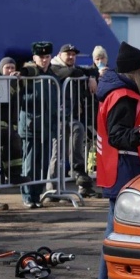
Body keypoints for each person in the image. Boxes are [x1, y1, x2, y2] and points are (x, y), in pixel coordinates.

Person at [95, 41, 140, 279]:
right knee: (122, 232)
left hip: (117, 167)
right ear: (134, 71)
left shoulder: (116, 92)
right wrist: (139, 134)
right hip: (125, 168)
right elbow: (118, 135)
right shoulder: (124, 95)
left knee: (113, 230)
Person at [46, 43, 100, 199]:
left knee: (75, 144)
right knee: (58, 153)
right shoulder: (54, 67)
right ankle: (52, 188)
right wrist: (89, 74)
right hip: (57, 118)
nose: (71, 57)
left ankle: (80, 181)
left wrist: (90, 75)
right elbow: (69, 72)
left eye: (73, 54)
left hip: (71, 117)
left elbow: (92, 69)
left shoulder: (74, 69)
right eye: (67, 54)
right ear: (59, 55)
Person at [18, 42, 60, 208]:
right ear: (34, 57)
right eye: (41, 57)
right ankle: (28, 196)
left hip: (46, 126)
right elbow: (22, 99)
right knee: (29, 164)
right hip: (30, 126)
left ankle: (36, 195)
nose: (44, 60)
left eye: (47, 57)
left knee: (42, 165)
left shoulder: (52, 75)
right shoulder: (28, 73)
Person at [0, 58, 26, 211]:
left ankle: (15, 175)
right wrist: (11, 83)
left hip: (7, 127)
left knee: (15, 144)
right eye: (7, 68)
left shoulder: (14, 82)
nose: (10, 71)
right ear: (0, 68)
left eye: (13, 68)